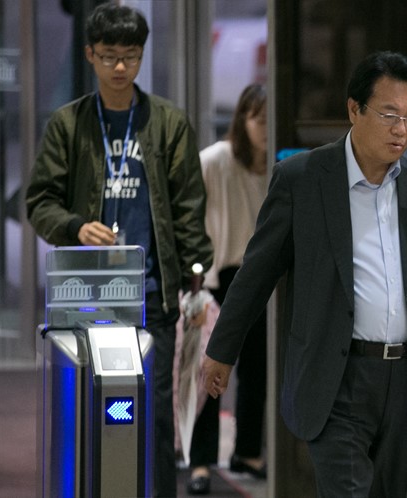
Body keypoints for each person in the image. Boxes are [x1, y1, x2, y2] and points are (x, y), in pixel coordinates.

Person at [202, 51, 407, 496]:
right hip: (337, 375)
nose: (401, 129)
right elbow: (258, 271)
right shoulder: (303, 178)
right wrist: (222, 350)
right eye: (389, 114)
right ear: (354, 109)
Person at [25, 4, 213, 496]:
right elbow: (39, 202)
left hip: (151, 295)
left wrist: (196, 282)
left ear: (142, 56)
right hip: (85, 296)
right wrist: (74, 227)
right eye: (109, 56)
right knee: (86, 407)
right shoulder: (68, 125)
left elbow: (189, 207)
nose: (120, 67)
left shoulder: (168, 123)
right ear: (90, 55)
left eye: (130, 56)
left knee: (155, 415)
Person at [185, 84, 268, 495]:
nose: (265, 129)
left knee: (258, 370)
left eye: (271, 120)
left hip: (260, 277)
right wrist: (194, 282)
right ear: (243, 119)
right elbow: (190, 219)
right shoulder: (214, 160)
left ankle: (247, 451)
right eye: (259, 120)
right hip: (218, 276)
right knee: (210, 370)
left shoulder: (279, 164)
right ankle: (200, 460)